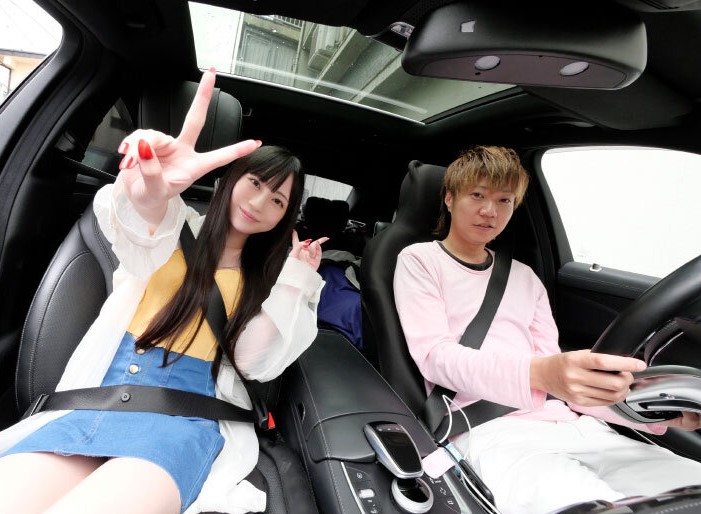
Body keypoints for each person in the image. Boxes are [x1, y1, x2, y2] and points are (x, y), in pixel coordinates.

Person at [0, 68, 328, 514]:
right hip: (100, 397)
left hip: (185, 415)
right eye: (255, 183)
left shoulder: (265, 281)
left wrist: (296, 280)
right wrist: (149, 195)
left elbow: (252, 361)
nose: (259, 203)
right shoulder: (177, 224)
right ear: (232, 178)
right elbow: (140, 231)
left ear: (284, 217)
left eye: (277, 200)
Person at [393, 145, 701, 514]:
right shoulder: (419, 260)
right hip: (492, 431)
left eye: (504, 200)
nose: (490, 210)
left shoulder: (524, 276)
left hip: (578, 427)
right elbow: (435, 356)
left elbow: (563, 386)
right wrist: (539, 373)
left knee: (688, 484)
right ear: (449, 198)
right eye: (477, 195)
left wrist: (654, 415)